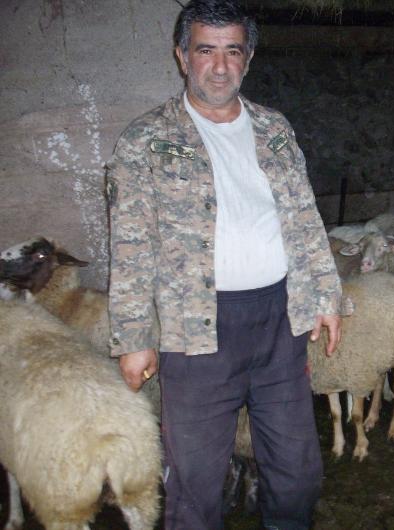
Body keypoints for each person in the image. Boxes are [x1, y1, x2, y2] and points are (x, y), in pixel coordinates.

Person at [105, 1, 343, 528]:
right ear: (182, 56)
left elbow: (305, 217)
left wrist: (326, 296)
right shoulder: (146, 140)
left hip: (279, 322)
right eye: (205, 50)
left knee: (298, 470)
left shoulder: (274, 128)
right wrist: (134, 337)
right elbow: (131, 246)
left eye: (232, 51)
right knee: (195, 481)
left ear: (248, 58)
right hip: (195, 330)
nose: (219, 66)